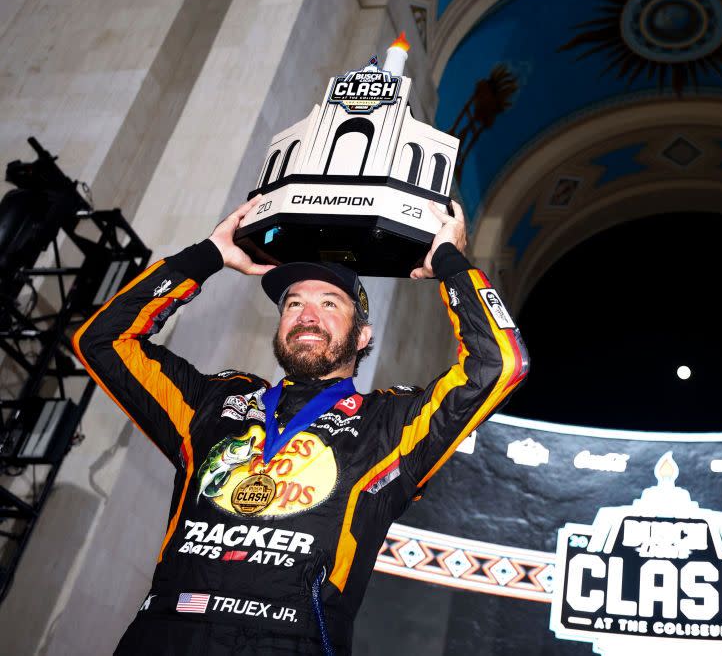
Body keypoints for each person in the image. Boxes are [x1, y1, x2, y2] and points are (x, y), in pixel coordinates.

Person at [72, 196, 529, 655]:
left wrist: (449, 263)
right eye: (293, 304)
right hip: (163, 633)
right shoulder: (213, 402)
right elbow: (101, 340)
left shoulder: (391, 425)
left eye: (330, 303)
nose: (307, 315)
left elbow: (500, 363)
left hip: (288, 640)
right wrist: (206, 256)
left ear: (362, 336)